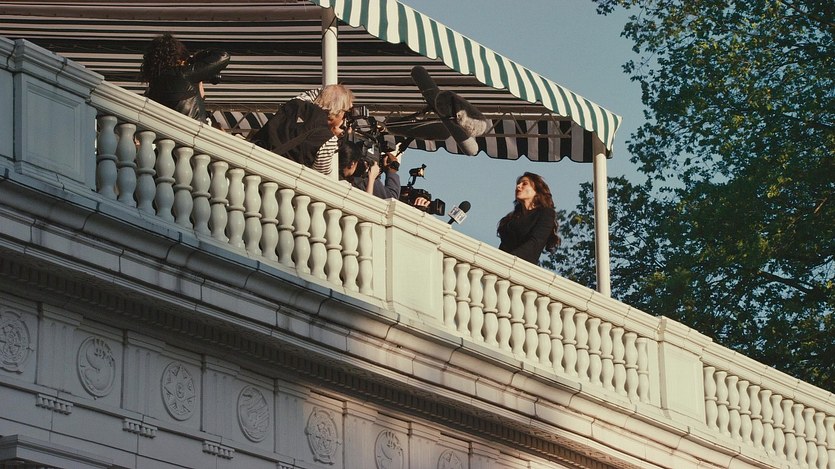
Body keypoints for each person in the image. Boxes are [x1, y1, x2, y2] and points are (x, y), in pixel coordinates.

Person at [250, 84, 354, 177]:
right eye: (346, 113)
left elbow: (312, 94)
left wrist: (330, 95)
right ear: (339, 111)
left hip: (253, 160)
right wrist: (335, 138)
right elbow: (320, 175)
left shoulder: (295, 103)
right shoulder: (328, 141)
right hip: (277, 179)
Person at [140, 32, 230, 122]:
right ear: (178, 57)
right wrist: (195, 58)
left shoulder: (152, 87)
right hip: (193, 128)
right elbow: (223, 56)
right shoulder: (183, 74)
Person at [497, 172, 561, 265]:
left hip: (523, 266)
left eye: (524, 183)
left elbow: (536, 242)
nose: (518, 186)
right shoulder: (509, 221)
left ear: (536, 190)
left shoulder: (546, 214)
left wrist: (509, 259)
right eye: (518, 184)